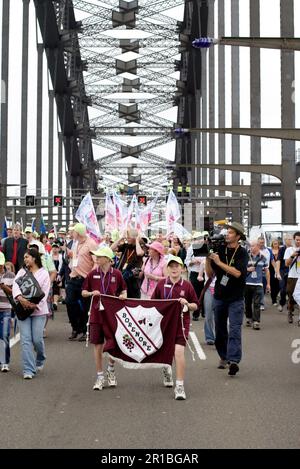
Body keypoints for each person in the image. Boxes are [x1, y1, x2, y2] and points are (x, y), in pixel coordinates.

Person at [152, 255, 199, 400]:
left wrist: (187, 304)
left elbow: (195, 305)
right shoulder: (161, 284)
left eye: (177, 266)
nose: (174, 269)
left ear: (182, 269)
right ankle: (166, 368)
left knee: (178, 352)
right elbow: (153, 303)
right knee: (166, 350)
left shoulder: (187, 285)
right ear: (167, 269)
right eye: (171, 266)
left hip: (181, 324)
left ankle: (179, 386)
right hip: (164, 324)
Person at [206, 222, 248, 376]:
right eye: (227, 232)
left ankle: (234, 361)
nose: (227, 234)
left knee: (235, 329)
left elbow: (237, 273)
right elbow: (210, 274)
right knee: (220, 330)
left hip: (236, 298)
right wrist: (208, 258)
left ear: (238, 236)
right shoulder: (219, 249)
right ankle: (224, 356)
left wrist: (218, 262)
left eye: (230, 232)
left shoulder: (242, 253)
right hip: (220, 296)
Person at [82, 247, 127, 391]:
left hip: (112, 315)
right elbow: (83, 292)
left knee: (113, 343)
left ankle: (111, 369)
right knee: (98, 345)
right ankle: (100, 375)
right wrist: (90, 293)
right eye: (96, 256)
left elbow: (124, 290)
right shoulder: (92, 274)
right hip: (96, 314)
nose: (96, 258)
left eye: (100, 256)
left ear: (108, 259)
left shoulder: (117, 274)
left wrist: (123, 296)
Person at [12, 248, 50, 379]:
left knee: (37, 339)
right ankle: (28, 369)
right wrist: (21, 299)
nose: (25, 259)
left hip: (39, 311)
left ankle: (40, 357)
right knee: (26, 340)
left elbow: (45, 291)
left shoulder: (44, 273)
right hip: (23, 310)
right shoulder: (22, 272)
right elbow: (15, 286)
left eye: (27, 257)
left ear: (34, 258)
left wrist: (34, 305)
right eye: (24, 257)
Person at [65, 223, 98, 341]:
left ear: (78, 233)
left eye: (73, 231)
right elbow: (77, 257)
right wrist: (70, 254)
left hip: (85, 279)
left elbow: (96, 262)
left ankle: (85, 331)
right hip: (73, 277)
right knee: (69, 302)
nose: (71, 233)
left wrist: (90, 276)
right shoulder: (76, 243)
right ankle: (75, 327)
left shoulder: (91, 244)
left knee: (85, 307)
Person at [111, 229, 145, 299]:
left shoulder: (140, 245)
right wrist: (121, 238)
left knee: (132, 298)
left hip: (133, 277)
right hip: (122, 274)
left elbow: (139, 253)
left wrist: (137, 240)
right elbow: (112, 248)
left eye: (129, 237)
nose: (127, 239)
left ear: (134, 237)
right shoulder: (126, 246)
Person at [244, 241, 270, 330]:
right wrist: (248, 269)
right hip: (247, 283)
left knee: (257, 303)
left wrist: (268, 284)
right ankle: (248, 318)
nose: (251, 248)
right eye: (250, 246)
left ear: (258, 246)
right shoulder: (246, 256)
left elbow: (267, 271)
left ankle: (256, 321)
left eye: (253, 246)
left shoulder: (263, 258)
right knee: (247, 303)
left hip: (258, 284)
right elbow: (240, 268)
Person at [0, 252, 15, 372]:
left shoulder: (10, 275)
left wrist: (3, 286)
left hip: (6, 309)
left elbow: (13, 293)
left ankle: (5, 362)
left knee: (5, 335)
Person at [284, 231, 300, 324]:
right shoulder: (289, 250)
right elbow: (286, 264)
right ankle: (290, 311)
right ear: (294, 240)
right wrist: (293, 255)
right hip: (292, 276)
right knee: (291, 297)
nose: (298, 242)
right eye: (297, 240)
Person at [276, 234, 293, 312]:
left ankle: (290, 305)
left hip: (292, 270)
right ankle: (282, 303)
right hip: (283, 270)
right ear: (285, 240)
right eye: (288, 239)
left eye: (290, 239)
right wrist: (277, 272)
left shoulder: (294, 249)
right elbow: (278, 261)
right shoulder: (282, 249)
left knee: (291, 290)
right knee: (283, 289)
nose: (290, 240)